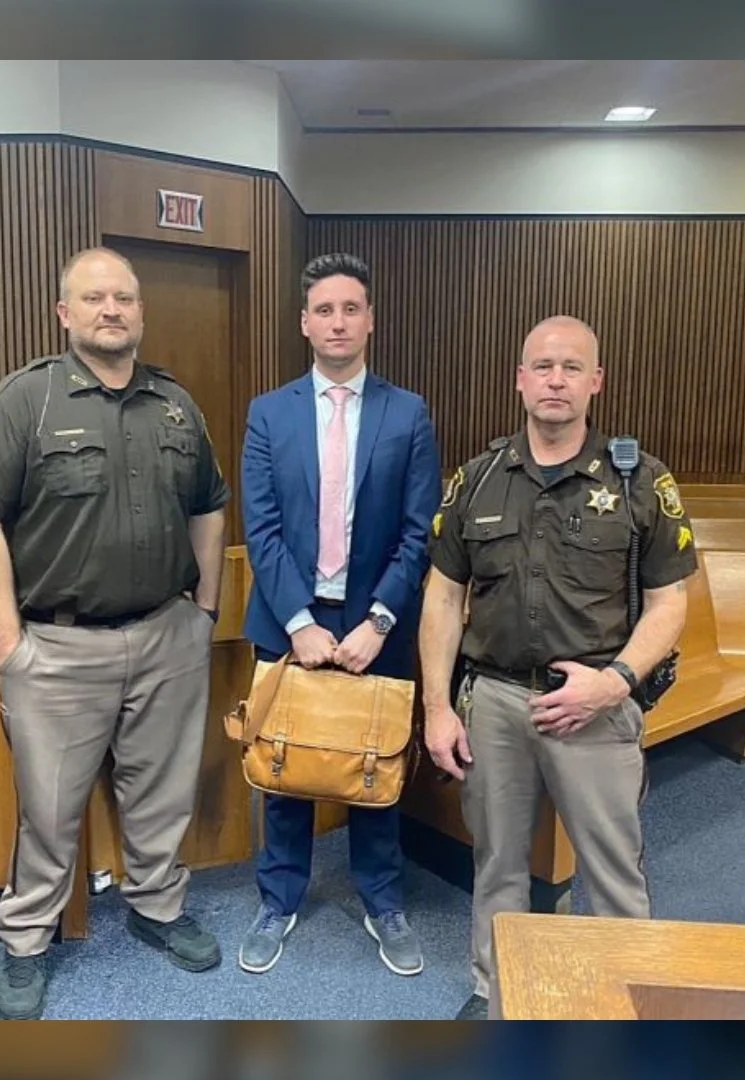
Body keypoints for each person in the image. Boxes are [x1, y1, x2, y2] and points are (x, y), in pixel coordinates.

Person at [0, 247, 230, 1020]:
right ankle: (26, 940)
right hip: (57, 648)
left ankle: (158, 907)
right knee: (48, 810)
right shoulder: (24, 400)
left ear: (141, 311)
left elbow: (209, 504)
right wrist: (8, 644)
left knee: (162, 793)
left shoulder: (176, 405)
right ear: (64, 313)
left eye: (124, 298)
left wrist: (203, 611)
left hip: (167, 635)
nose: (112, 310)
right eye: (94, 298)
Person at [419, 315, 696, 1020]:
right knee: (497, 863)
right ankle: (494, 988)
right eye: (542, 366)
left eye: (572, 367)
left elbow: (669, 604)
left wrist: (616, 683)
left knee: (613, 868)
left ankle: (629, 1001)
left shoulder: (640, 482)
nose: (555, 380)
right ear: (520, 379)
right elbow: (443, 598)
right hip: (496, 704)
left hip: (596, 706)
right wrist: (438, 709)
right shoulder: (478, 479)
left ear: (595, 381)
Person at [236, 252, 440, 977]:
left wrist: (379, 622)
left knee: (373, 767)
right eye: (324, 310)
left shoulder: (407, 412)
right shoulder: (269, 412)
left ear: (370, 320)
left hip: (374, 624)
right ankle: (278, 899)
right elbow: (261, 529)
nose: (338, 322)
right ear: (304, 323)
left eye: (351, 308)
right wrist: (299, 623)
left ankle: (383, 900)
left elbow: (418, 532)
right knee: (284, 764)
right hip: (289, 620)